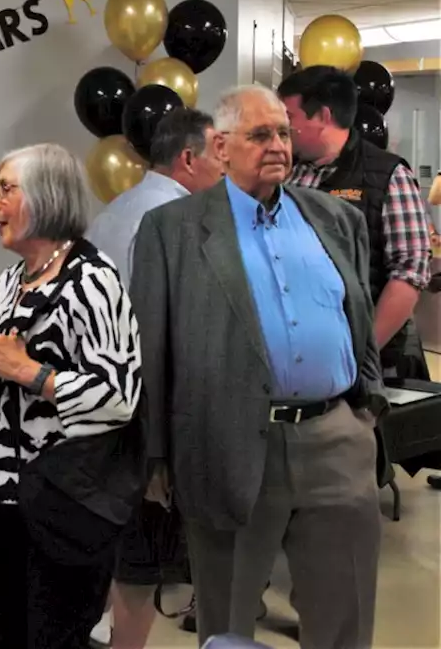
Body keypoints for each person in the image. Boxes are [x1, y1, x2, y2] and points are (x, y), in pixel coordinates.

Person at [132, 86, 385, 648]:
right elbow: (152, 348)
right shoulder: (171, 230)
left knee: (346, 614)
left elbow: (359, 312)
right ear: (220, 147)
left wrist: (367, 404)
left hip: (335, 438)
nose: (278, 145)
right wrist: (155, 455)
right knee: (227, 624)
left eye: (284, 133)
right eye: (260, 134)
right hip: (228, 443)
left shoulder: (336, 218)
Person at [0, 142, 144, 649]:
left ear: (44, 197)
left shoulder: (93, 282)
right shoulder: (9, 283)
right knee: (9, 636)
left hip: (67, 504)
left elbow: (118, 397)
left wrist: (32, 373)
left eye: (5, 190)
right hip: (6, 503)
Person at [84, 108, 221, 649]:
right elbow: (173, 330)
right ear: (188, 159)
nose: (227, 169)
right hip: (147, 414)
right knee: (141, 561)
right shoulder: (176, 223)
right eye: (219, 156)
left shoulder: (113, 211)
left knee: (117, 551)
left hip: (100, 407)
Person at [279, 65, 432, 380]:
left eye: (289, 118)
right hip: (295, 353)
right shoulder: (290, 172)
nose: (283, 128)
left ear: (322, 116)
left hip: (365, 363)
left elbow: (410, 274)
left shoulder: (389, 175)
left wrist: (360, 353)